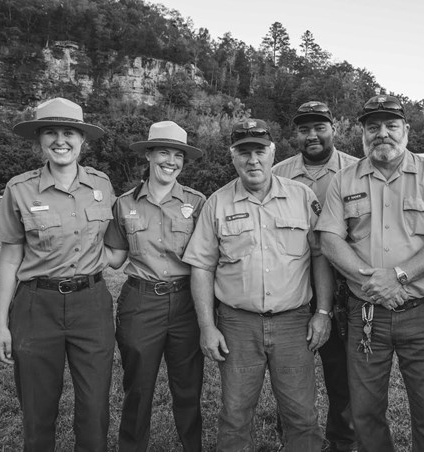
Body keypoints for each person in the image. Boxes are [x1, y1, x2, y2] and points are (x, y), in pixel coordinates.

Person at [316, 95, 424, 451]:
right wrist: (372, 281)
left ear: (406, 130)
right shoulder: (344, 180)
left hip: (422, 312)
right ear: (362, 133)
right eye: (373, 127)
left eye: (391, 126)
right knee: (366, 412)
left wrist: (398, 276)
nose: (382, 134)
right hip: (366, 313)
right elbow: (329, 240)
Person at [182, 119, 332, 451]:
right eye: (244, 152)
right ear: (232, 157)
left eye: (260, 151)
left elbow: (321, 256)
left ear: (273, 153)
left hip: (294, 322)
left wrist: (323, 311)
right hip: (238, 323)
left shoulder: (302, 197)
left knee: (302, 416)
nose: (253, 160)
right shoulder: (217, 203)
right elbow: (202, 267)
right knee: (235, 415)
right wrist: (207, 326)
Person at [0, 97, 115, 451]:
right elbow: (10, 260)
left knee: (94, 409)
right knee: (37, 410)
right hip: (35, 307)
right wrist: (0, 325)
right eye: (51, 132)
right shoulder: (19, 188)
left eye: (69, 132)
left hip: (92, 306)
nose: (61, 140)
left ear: (82, 139)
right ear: (39, 141)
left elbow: (115, 242)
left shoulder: (102, 185)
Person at [104, 121, 206, 451]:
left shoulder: (198, 203)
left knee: (189, 388)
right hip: (140, 303)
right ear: (148, 155)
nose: (171, 161)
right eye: (163, 152)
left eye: (178, 155)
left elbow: (208, 259)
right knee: (138, 387)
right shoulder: (124, 203)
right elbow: (116, 258)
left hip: (186, 303)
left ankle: (192, 446)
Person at [272, 100, 358, 452]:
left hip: (347, 286)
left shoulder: (356, 169)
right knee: (290, 375)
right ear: (295, 134)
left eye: (319, 127)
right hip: (293, 287)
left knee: (343, 373)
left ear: (333, 128)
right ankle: (294, 440)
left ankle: (341, 440)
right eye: (304, 129)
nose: (312, 135)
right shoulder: (277, 173)